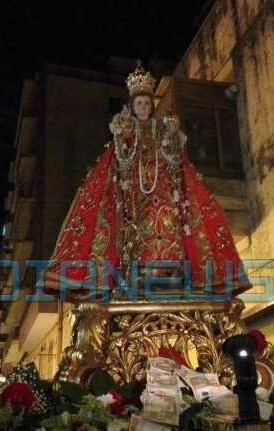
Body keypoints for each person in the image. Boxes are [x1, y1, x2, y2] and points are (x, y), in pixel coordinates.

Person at [45, 62, 249, 299]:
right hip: (134, 193)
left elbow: (175, 161)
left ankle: (171, 270)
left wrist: (172, 137)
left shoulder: (161, 129)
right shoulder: (128, 131)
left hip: (162, 191)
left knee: (167, 221)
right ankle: (136, 271)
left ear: (152, 106)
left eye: (146, 103)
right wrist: (120, 136)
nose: (143, 107)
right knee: (134, 230)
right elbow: (121, 161)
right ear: (133, 107)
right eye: (139, 104)